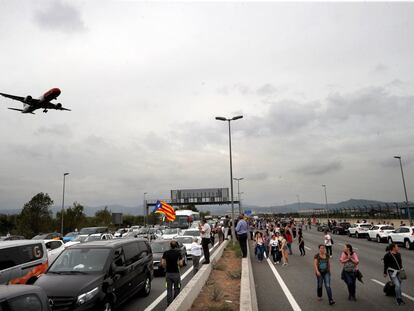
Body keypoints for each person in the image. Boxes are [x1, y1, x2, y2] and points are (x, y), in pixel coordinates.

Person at [161, 240, 184, 306]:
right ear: (176, 246)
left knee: (169, 289)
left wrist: (166, 267)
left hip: (168, 274)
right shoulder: (178, 253)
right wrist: (181, 261)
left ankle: (169, 303)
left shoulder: (166, 253)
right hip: (176, 273)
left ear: (170, 246)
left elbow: (163, 263)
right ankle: (176, 303)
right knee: (177, 288)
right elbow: (181, 264)